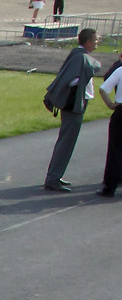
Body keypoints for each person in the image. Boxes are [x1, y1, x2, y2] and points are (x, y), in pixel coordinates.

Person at [43, 28, 100, 192]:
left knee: (65, 140)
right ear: (88, 42)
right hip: (74, 105)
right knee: (67, 142)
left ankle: (54, 175)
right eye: (95, 40)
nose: (97, 43)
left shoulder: (76, 55)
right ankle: (53, 178)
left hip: (74, 103)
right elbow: (72, 80)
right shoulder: (81, 58)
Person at [98, 58, 122, 196]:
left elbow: (103, 89)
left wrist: (110, 104)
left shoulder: (119, 70)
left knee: (115, 149)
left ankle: (110, 186)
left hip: (120, 109)